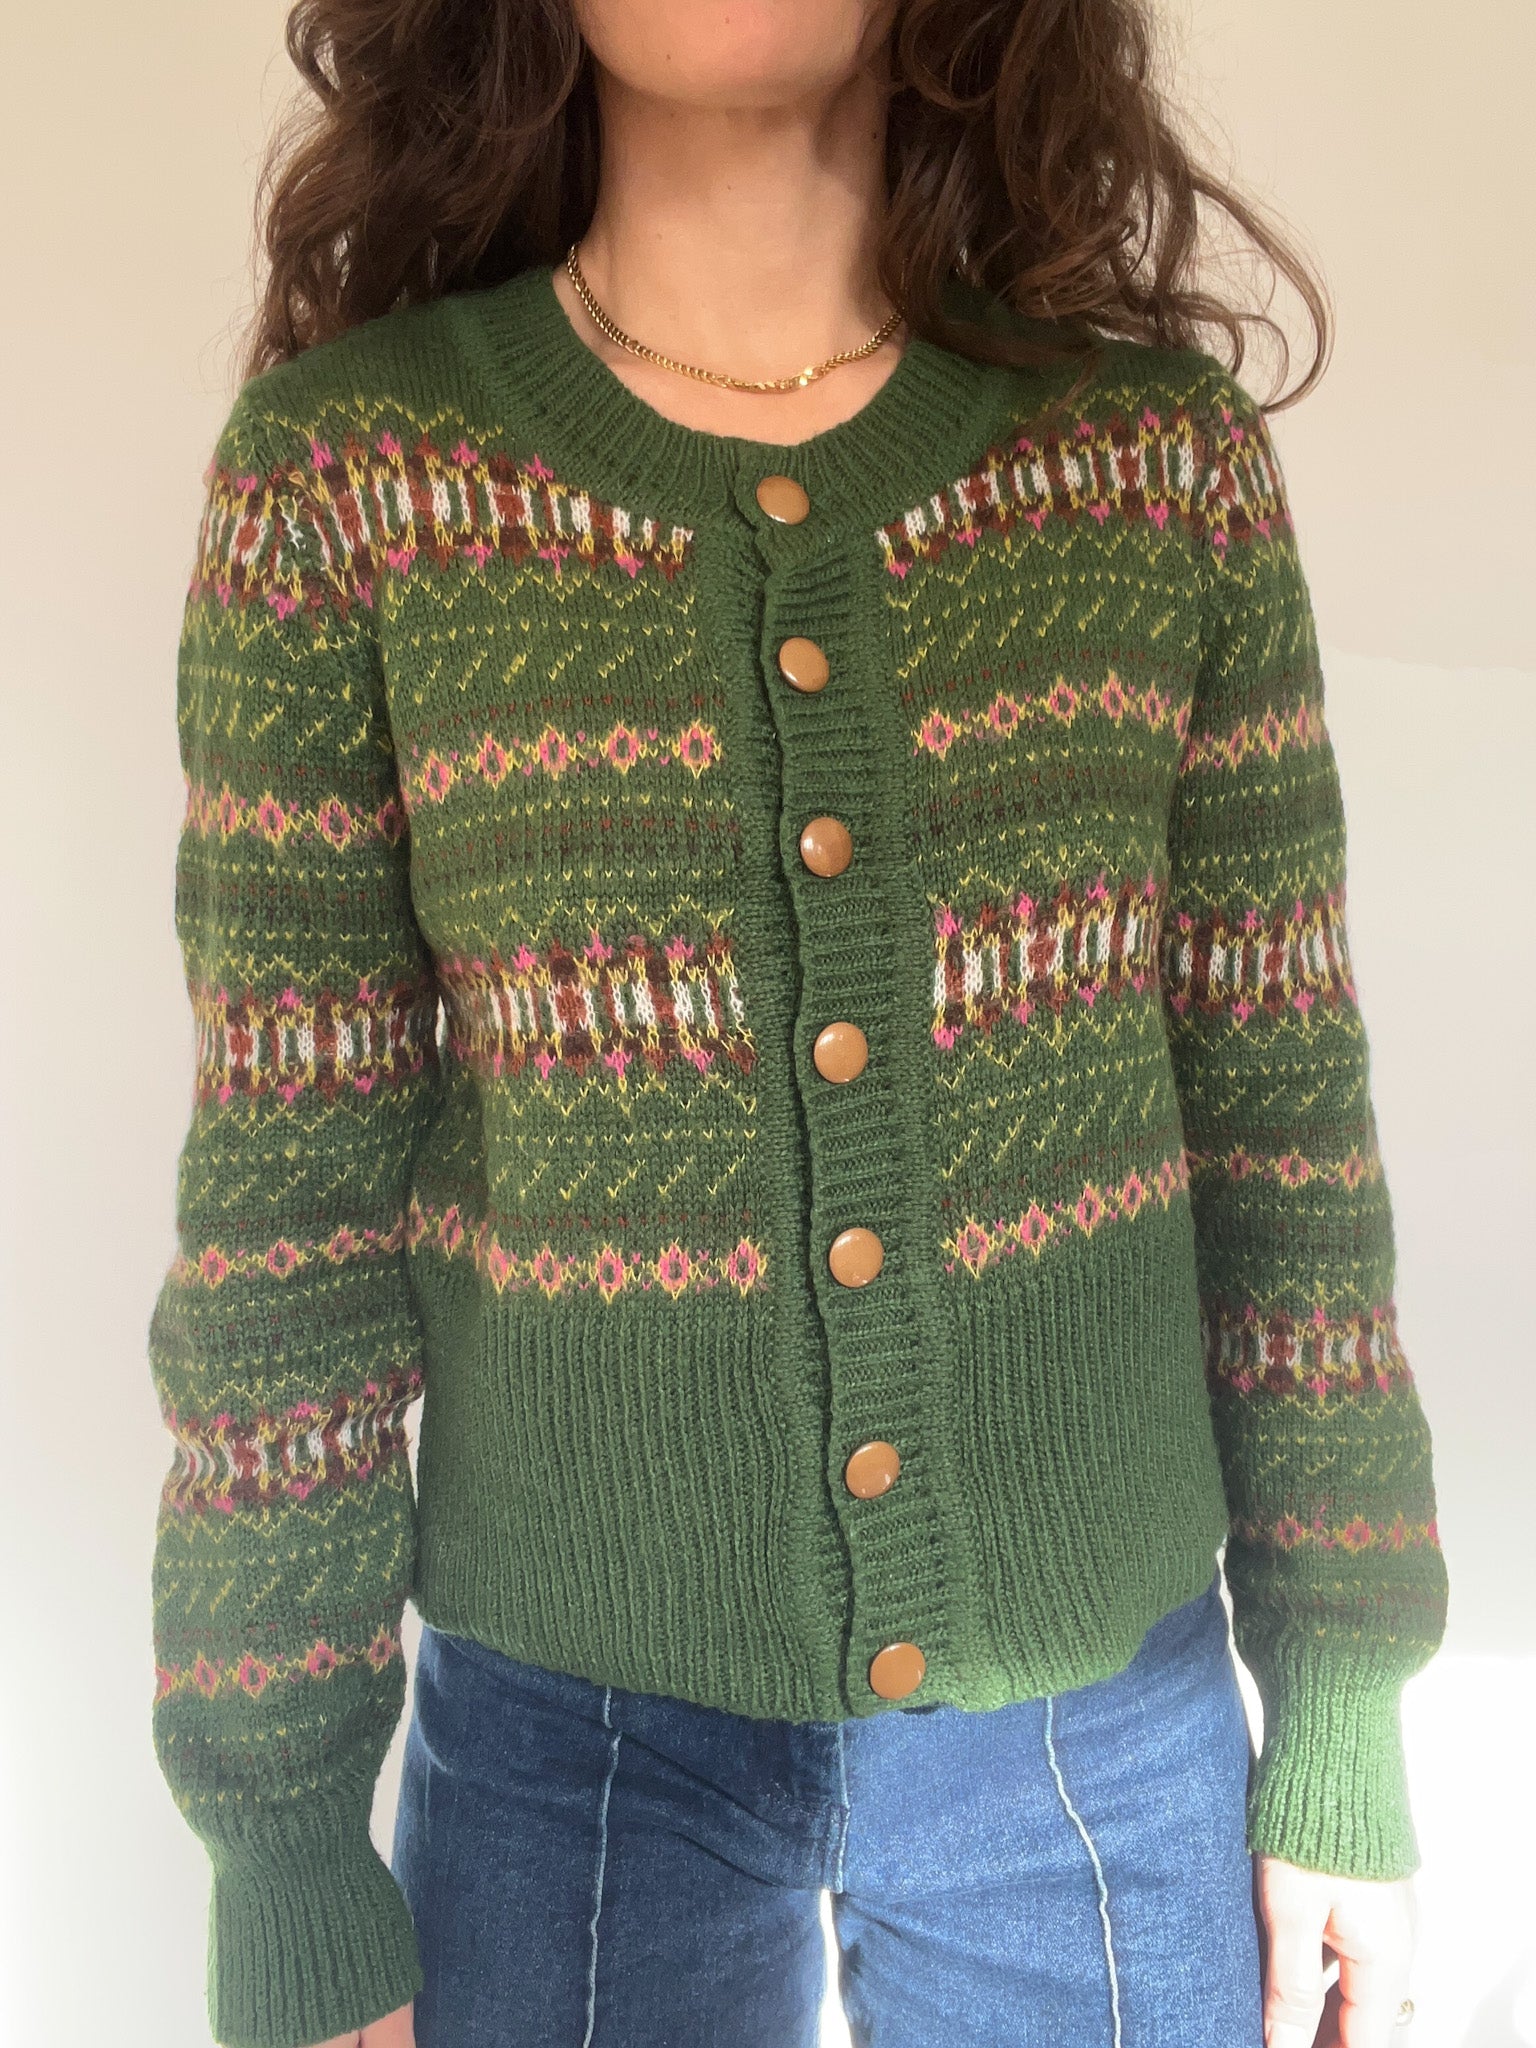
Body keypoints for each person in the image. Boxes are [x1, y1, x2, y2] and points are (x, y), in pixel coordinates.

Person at [145, 2, 1448, 2044]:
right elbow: (284, 1216)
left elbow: (1283, 1127)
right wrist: (288, 1849)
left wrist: (1346, 1710)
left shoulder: (1152, 468)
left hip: (1095, 1751)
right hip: (567, 1757)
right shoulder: (353, 479)